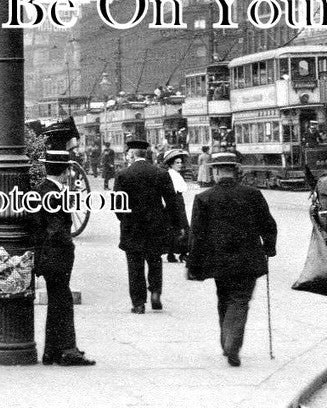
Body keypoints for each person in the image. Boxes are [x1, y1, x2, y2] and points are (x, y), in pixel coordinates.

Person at [186, 151, 277, 367]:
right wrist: (269, 248)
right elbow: (269, 225)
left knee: (224, 298)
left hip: (218, 262)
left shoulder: (204, 198)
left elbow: (196, 235)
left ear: (215, 172)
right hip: (248, 260)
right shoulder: (253, 194)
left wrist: (193, 265)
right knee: (240, 300)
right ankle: (232, 344)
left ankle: (227, 341)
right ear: (235, 171)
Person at [31, 120, 94, 366]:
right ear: (66, 171)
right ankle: (68, 351)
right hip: (57, 256)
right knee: (62, 302)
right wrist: (69, 246)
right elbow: (57, 229)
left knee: (58, 302)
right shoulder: (55, 195)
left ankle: (51, 352)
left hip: (45, 257)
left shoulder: (40, 189)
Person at [114, 138, 181, 313]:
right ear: (146, 154)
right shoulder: (160, 173)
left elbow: (117, 205)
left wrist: (125, 219)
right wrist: (167, 221)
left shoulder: (123, 174)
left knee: (134, 264)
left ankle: (138, 303)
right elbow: (172, 202)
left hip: (132, 226)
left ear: (131, 154)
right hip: (156, 226)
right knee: (155, 260)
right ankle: (156, 294)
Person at [162, 150, 191, 263]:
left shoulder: (176, 174)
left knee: (179, 227)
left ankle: (178, 253)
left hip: (178, 201)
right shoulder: (170, 175)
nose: (180, 165)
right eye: (177, 163)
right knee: (178, 227)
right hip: (174, 203)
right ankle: (177, 253)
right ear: (171, 164)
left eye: (180, 162)